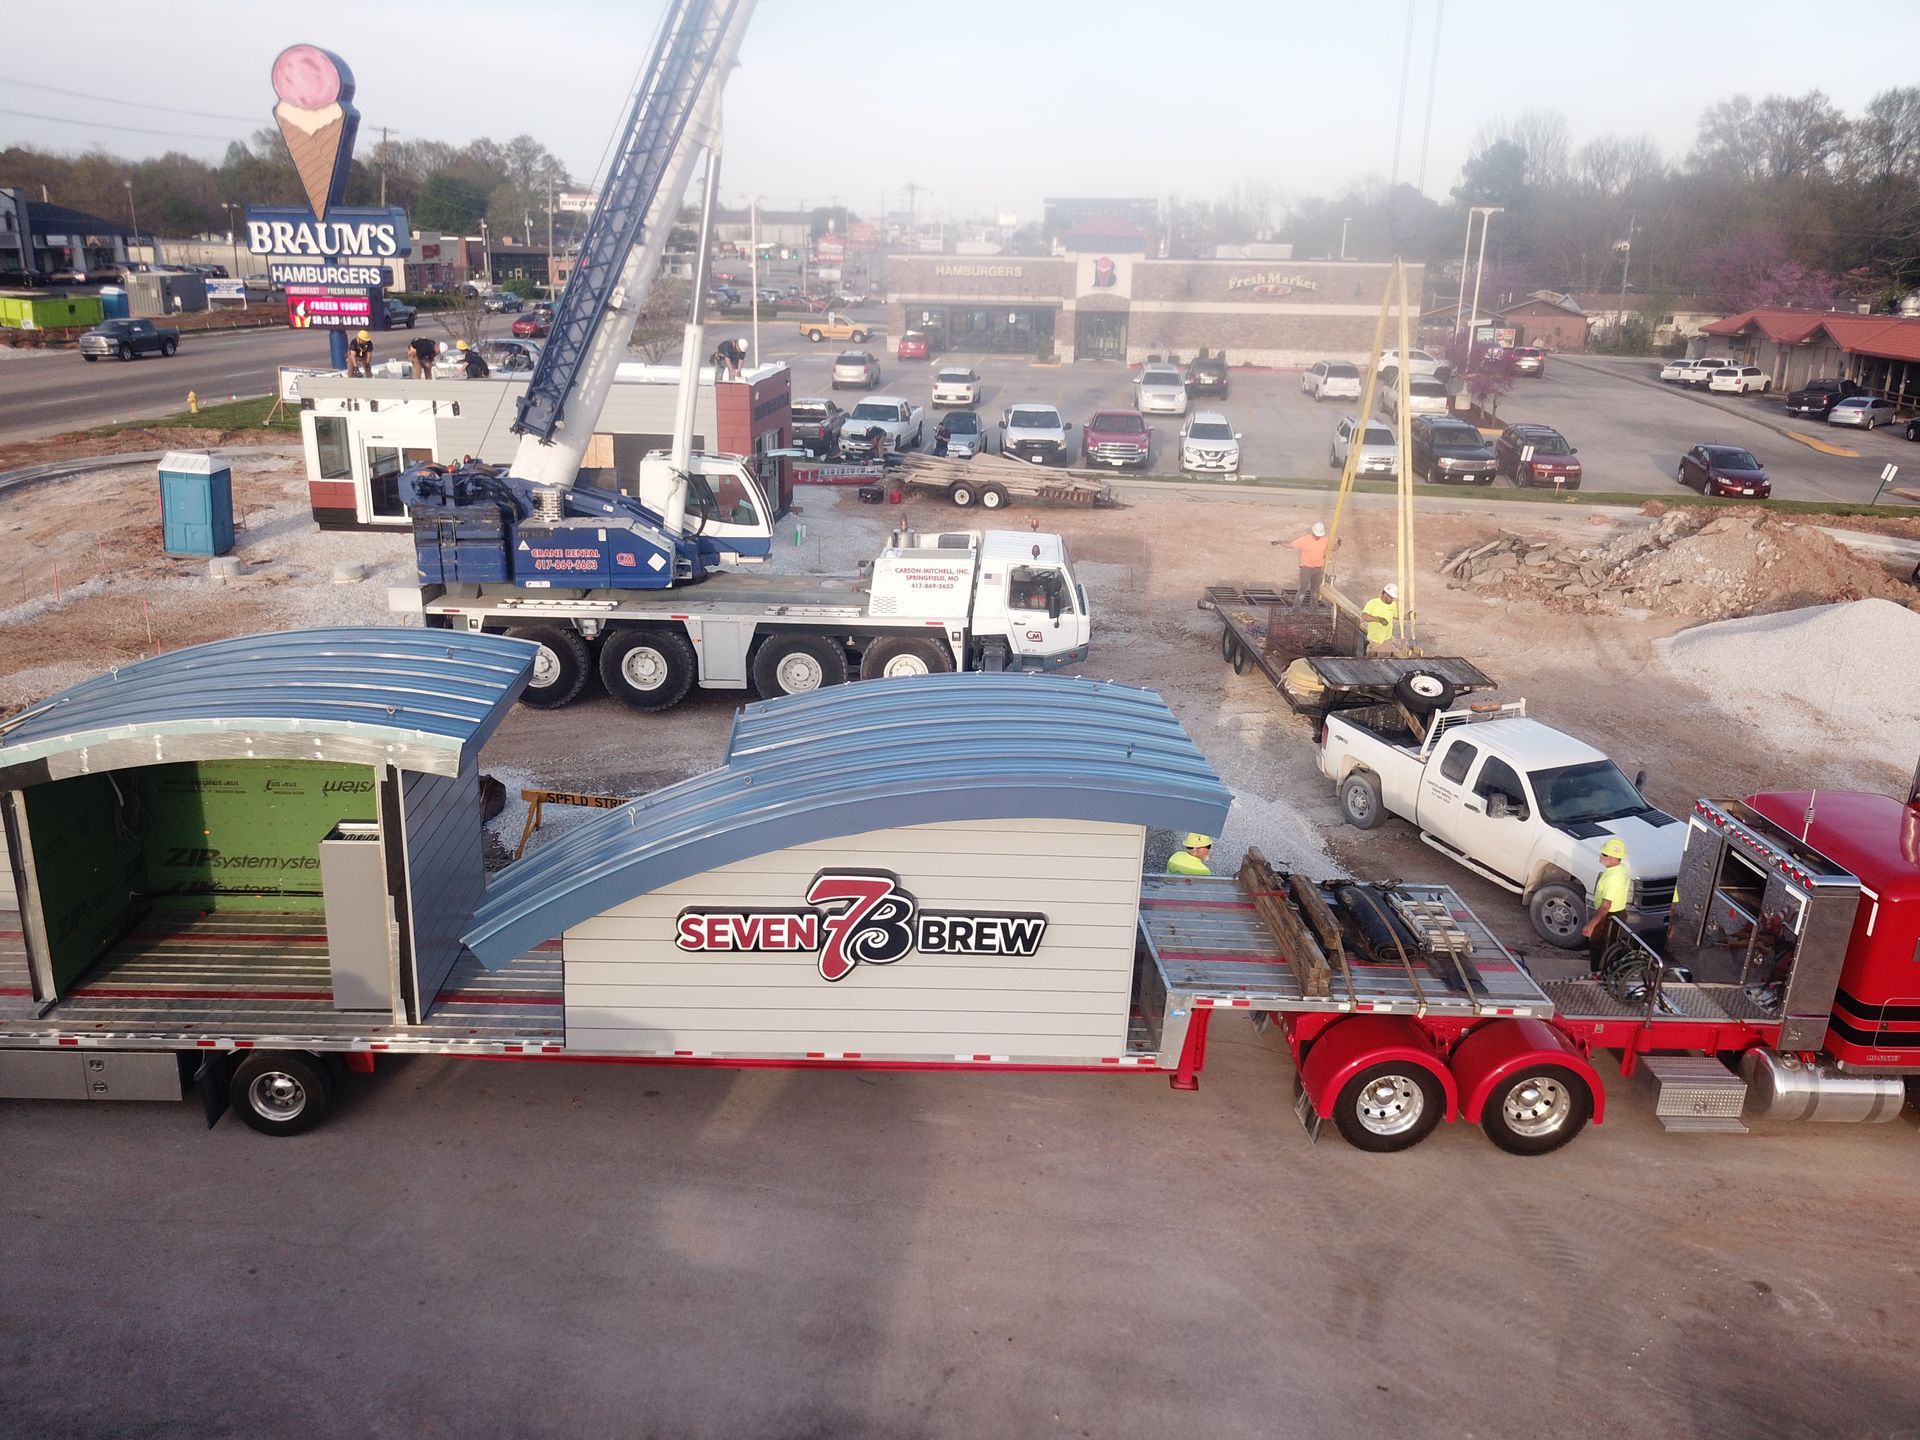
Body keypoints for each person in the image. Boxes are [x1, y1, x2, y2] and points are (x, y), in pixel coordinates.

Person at [1583, 837, 1632, 975]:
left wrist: (1591, 924)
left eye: (1605, 854)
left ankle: (1598, 975)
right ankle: (1607, 973)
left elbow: (1605, 906)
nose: (1601, 855)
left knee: (1599, 947)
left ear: (1615, 858)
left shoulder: (1612, 879)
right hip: (1619, 913)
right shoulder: (1621, 869)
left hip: (1609, 916)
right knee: (1610, 946)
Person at [1272, 521, 1330, 609]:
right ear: (1313, 532)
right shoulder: (1305, 539)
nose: (1318, 536)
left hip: (1318, 569)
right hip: (1306, 568)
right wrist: (1280, 543)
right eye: (1317, 534)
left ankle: (1314, 609)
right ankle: (1295, 610)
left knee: (1315, 591)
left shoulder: (1325, 540)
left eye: (1319, 535)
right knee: (1303, 590)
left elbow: (1332, 548)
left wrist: (1338, 544)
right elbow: (1290, 545)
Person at [1359, 581, 1399, 654]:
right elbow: (1364, 616)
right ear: (1385, 594)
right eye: (1391, 597)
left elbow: (1396, 616)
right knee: (1370, 662)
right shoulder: (1373, 603)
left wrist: (1407, 616)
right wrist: (1378, 619)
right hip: (1374, 641)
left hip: (1387, 641)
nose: (1392, 600)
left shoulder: (1393, 604)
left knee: (1384, 662)